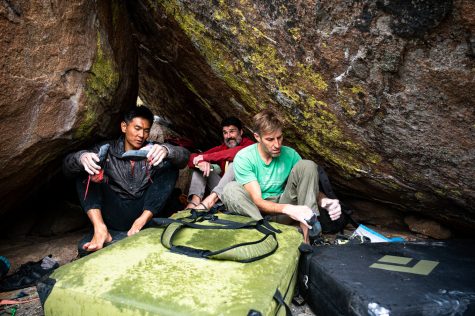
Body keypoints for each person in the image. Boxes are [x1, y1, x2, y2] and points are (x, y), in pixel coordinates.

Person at [63, 106, 189, 256]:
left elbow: (184, 157)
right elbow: (67, 167)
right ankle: (100, 229)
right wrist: (81, 157)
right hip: (114, 213)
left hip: (144, 213)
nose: (141, 135)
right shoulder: (107, 148)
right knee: (86, 168)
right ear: (124, 126)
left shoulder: (153, 149)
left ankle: (140, 224)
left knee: (169, 166)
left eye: (146, 130)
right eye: (137, 128)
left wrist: (168, 151)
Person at [221, 109, 342, 242]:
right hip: (256, 213)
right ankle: (264, 233)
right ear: (257, 137)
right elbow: (257, 201)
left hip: (284, 208)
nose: (277, 144)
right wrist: (289, 209)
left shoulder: (290, 154)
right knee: (230, 189)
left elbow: (307, 186)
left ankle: (307, 239)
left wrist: (323, 201)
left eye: (279, 137)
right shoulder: (245, 157)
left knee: (307, 165)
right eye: (270, 139)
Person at [186, 117, 254, 210]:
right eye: (225, 133)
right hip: (221, 192)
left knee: (236, 163)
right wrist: (202, 161)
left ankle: (210, 201)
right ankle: (194, 203)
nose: (228, 136)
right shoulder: (222, 148)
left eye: (232, 131)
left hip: (242, 193)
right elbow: (193, 158)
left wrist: (205, 157)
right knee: (200, 167)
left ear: (241, 132)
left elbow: (237, 153)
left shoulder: (249, 145)